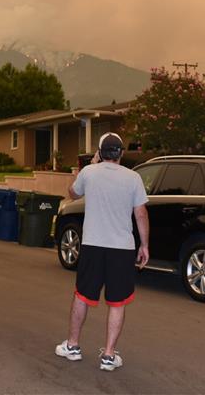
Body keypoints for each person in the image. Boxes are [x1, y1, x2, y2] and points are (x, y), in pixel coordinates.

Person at [54, 132, 149, 372]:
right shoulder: (134, 178)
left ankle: (73, 346)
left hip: (93, 246)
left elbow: (72, 193)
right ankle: (108, 355)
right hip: (122, 249)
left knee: (82, 296)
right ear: (121, 153)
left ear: (100, 152)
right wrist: (144, 245)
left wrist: (92, 165)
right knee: (117, 302)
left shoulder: (89, 172)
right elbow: (140, 214)